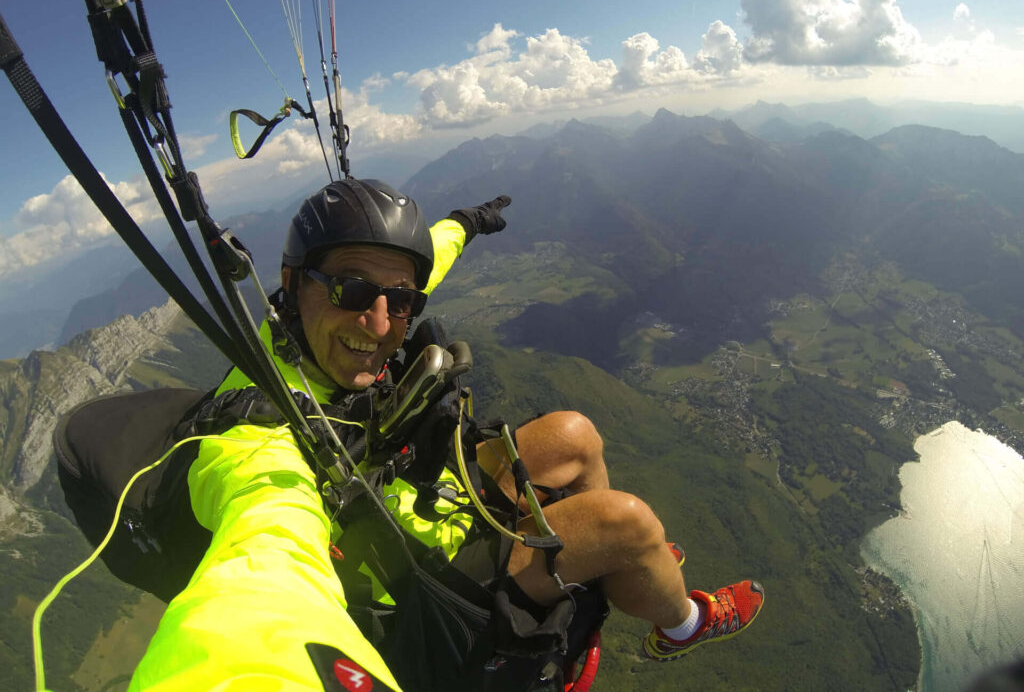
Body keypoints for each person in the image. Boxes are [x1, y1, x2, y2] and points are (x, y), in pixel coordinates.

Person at [129, 178, 763, 691]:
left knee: (575, 435)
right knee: (627, 522)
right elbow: (263, 570)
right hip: (415, 582)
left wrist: (464, 223)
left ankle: (614, 568)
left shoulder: (314, 324)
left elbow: (418, 269)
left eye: (399, 300)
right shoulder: (260, 439)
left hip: (422, 505)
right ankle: (680, 623)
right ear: (295, 284)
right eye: (353, 290)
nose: (380, 322)